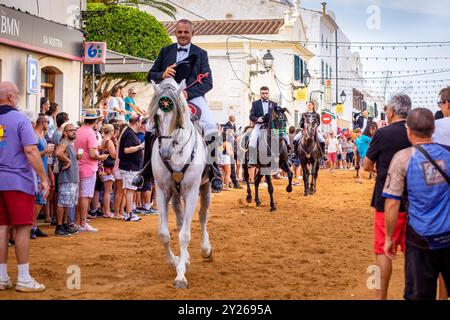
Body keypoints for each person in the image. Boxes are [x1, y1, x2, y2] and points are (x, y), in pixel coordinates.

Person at [147, 19, 223, 192]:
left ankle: (214, 170)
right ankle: (145, 172)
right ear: (175, 33)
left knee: (211, 124)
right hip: (168, 97)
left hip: (191, 97)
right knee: (149, 125)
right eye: (180, 32)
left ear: (192, 33)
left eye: (186, 32)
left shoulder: (201, 53)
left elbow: (208, 82)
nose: (182, 35)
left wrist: (188, 93)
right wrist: (162, 73)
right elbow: (150, 75)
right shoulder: (165, 51)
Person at [382, 108, 450, 300]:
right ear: (433, 129)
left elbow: (392, 203)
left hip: (420, 239)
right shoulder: (448, 155)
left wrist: (389, 238)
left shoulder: (402, 158)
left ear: (409, 131)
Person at [0, 81, 49, 292]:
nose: (18, 97)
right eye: (17, 94)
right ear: (11, 97)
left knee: (1, 228)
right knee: (22, 228)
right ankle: (23, 278)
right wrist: (43, 177)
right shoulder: (20, 119)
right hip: (18, 181)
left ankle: (1, 277)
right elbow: (30, 151)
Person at [363, 94, 412, 300]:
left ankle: (380, 297)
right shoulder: (415, 133)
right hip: (413, 200)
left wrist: (383, 173)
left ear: (391, 111)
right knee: (413, 253)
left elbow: (367, 165)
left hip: (385, 198)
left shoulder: (382, 133)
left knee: (382, 250)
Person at [74, 109, 108, 232]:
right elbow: (93, 154)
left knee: (80, 196)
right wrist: (102, 157)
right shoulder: (90, 133)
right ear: (95, 121)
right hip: (88, 167)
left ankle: (78, 222)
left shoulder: (79, 131)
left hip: (79, 166)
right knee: (85, 196)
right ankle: (82, 223)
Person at [248, 86, 288, 165]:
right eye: (263, 93)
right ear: (260, 94)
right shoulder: (255, 104)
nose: (264, 95)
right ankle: (252, 159)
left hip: (272, 126)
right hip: (259, 125)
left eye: (266, 93)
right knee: (253, 139)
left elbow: (278, 115)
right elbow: (251, 116)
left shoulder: (274, 104)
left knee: (285, 137)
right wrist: (257, 119)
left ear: (269, 93)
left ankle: (287, 155)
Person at [55, 123, 80, 236]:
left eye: (75, 130)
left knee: (67, 203)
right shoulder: (64, 142)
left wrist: (75, 158)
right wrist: (68, 161)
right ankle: (59, 227)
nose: (74, 132)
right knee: (63, 203)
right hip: (67, 177)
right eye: (71, 130)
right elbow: (58, 152)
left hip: (72, 177)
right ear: (65, 132)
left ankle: (64, 225)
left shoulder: (70, 143)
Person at [118, 114, 144, 222]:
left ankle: (129, 213)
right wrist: (140, 146)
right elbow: (126, 150)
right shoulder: (129, 133)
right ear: (137, 122)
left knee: (131, 190)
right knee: (130, 190)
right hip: (129, 167)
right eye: (140, 122)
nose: (141, 124)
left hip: (131, 166)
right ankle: (129, 214)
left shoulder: (130, 132)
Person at [31, 114, 53, 239]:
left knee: (41, 199)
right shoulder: (35, 135)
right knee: (38, 199)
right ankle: (31, 226)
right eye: (47, 122)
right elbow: (32, 154)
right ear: (42, 123)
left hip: (42, 170)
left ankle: (33, 226)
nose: (48, 125)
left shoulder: (42, 137)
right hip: (36, 171)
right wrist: (45, 151)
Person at [99, 124, 116, 218]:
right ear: (111, 131)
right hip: (108, 167)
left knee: (106, 190)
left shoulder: (103, 140)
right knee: (108, 190)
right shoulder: (109, 141)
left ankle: (105, 210)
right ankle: (107, 211)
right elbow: (113, 155)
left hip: (103, 166)